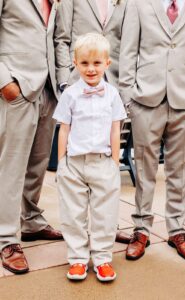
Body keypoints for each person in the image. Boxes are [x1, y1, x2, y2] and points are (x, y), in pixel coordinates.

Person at [119, 0, 185, 262]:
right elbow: (128, 51)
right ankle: (141, 230)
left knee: (180, 170)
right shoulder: (138, 4)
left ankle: (177, 230)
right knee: (144, 170)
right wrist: (128, 98)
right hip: (146, 101)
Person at [0, 0, 68, 274]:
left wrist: (62, 87)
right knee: (11, 167)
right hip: (16, 89)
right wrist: (4, 81)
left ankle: (31, 221)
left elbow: (56, 38)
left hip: (48, 90)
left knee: (38, 164)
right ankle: (6, 238)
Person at [53, 33, 127, 281]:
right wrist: (62, 163)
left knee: (104, 213)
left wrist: (115, 164)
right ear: (75, 62)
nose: (91, 69)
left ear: (107, 63)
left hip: (103, 162)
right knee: (73, 214)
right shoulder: (70, 94)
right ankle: (77, 259)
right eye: (84, 63)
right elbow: (64, 128)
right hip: (74, 163)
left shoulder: (113, 94)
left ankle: (103, 258)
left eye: (97, 63)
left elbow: (116, 128)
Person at [61, 0, 134, 244]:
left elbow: (127, 44)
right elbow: (62, 38)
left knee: (107, 182)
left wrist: (115, 162)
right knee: (75, 197)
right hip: (77, 82)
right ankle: (79, 249)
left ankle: (107, 233)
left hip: (113, 83)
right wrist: (64, 82)